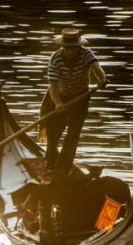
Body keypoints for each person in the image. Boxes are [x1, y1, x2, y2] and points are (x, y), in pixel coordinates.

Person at [40, 28, 108, 177]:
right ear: (63, 46)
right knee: (53, 134)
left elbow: (96, 67)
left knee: (73, 134)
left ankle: (62, 169)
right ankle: (51, 163)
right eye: (67, 48)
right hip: (59, 96)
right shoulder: (55, 59)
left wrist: (102, 79)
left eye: (73, 48)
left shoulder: (85, 53)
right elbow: (53, 85)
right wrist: (58, 103)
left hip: (80, 97)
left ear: (78, 46)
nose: (70, 51)